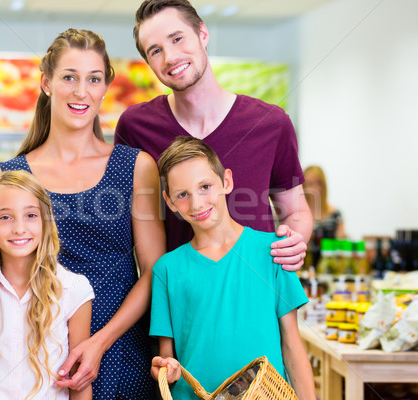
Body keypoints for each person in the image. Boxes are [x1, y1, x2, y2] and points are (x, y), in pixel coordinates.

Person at [0, 29, 166, 399]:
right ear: (46, 83)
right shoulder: (9, 175)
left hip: (120, 347)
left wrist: (100, 343)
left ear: (105, 86)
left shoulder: (135, 167)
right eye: (69, 77)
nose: (81, 91)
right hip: (39, 355)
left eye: (93, 79)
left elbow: (156, 270)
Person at [115, 0, 312, 270]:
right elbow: (126, 218)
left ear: (202, 33)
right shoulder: (135, 126)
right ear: (148, 62)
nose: (170, 57)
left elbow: (295, 210)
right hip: (178, 297)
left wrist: (294, 241)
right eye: (156, 51)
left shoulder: (271, 123)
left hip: (256, 291)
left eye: (177, 39)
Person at [149, 137, 316, 400]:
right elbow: (167, 357)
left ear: (226, 182)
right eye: (183, 194)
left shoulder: (274, 251)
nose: (196, 204)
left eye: (205, 186)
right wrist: (165, 369)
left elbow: (292, 345)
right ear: (169, 202)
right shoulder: (166, 270)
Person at [0, 170, 94, 400]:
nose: (19, 228)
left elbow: (80, 383)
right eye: (5, 217)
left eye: (30, 215)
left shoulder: (73, 290)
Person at [303, 165, 346, 267]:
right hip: (303, 267)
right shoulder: (297, 214)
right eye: (310, 183)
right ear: (303, 186)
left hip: (330, 268)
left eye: (318, 183)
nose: (314, 188)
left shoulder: (335, 214)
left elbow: (342, 242)